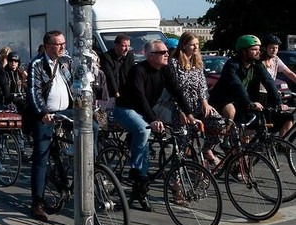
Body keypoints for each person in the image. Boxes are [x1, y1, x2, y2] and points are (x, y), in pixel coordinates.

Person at [114, 39, 195, 212]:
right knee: (143, 130)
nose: (167, 55)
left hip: (144, 111)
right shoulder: (138, 70)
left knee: (148, 141)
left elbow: (177, 91)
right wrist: (153, 119)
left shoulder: (165, 70)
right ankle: (136, 172)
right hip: (126, 109)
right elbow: (139, 97)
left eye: (167, 52)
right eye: (162, 53)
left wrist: (189, 114)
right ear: (150, 56)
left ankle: (140, 188)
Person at [26, 30, 72, 222]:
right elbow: (34, 92)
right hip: (45, 114)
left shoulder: (64, 62)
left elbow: (72, 85)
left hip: (65, 112)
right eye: (57, 44)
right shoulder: (37, 64)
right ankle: (37, 202)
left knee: (92, 127)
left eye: (63, 43)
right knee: (42, 157)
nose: (62, 47)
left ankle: (87, 163)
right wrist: (43, 113)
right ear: (47, 46)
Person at [208, 35, 287, 134]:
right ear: (243, 51)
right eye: (254, 49)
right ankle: (224, 137)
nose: (258, 52)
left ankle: (244, 144)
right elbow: (237, 85)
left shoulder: (257, 64)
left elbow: (268, 81)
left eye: (258, 49)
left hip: (241, 98)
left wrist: (278, 102)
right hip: (223, 98)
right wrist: (249, 103)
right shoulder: (232, 65)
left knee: (252, 125)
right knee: (230, 111)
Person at [168, 32, 225, 165]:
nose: (195, 48)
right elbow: (173, 89)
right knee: (182, 143)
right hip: (180, 106)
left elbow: (202, 85)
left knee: (219, 123)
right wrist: (181, 111)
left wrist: (205, 102)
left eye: (197, 45)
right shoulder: (174, 63)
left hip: (197, 104)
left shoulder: (197, 63)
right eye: (192, 45)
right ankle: (176, 177)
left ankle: (207, 149)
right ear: (184, 45)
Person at [260, 34, 296, 136]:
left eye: (276, 48)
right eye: (271, 47)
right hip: (259, 96)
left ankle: (280, 143)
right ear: (265, 48)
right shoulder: (259, 62)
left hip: (271, 94)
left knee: (288, 118)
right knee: (262, 124)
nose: (274, 50)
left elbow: (289, 73)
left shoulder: (276, 59)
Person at [100, 33, 135, 98]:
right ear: (116, 46)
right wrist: (116, 92)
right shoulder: (106, 57)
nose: (127, 49)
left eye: (128, 46)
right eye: (124, 46)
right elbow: (110, 76)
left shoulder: (129, 56)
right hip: (110, 93)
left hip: (125, 92)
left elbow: (133, 73)